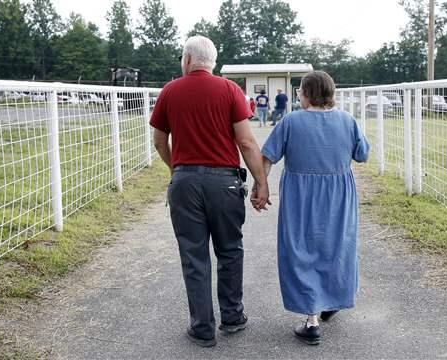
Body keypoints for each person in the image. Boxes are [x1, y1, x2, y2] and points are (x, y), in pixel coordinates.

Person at [150, 35, 270, 348]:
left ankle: (202, 328)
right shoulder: (230, 90)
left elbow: (159, 141)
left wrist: (176, 169)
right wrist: (261, 181)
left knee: (194, 255)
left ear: (187, 59)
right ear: (212, 61)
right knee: (230, 249)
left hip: (185, 182)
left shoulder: (170, 91)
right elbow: (245, 142)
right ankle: (232, 317)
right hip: (225, 182)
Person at [256, 71, 369, 346]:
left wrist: (261, 187)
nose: (297, 96)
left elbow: (268, 156)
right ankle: (332, 298)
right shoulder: (347, 120)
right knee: (336, 247)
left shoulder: (291, 121)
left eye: (299, 92)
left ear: (306, 94)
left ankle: (311, 320)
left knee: (301, 250)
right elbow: (362, 154)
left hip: (300, 196)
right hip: (338, 196)